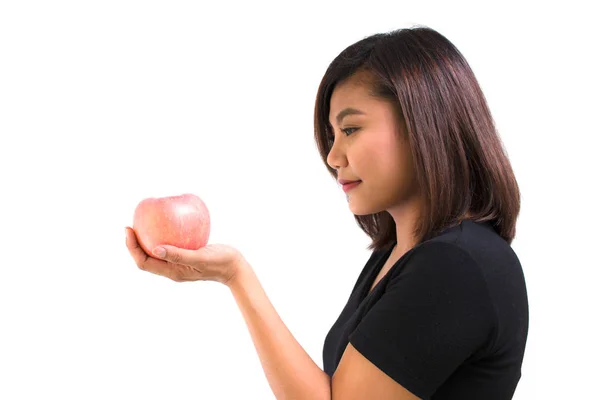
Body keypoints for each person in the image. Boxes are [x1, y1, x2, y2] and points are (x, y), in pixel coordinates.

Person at [125, 25, 529, 400]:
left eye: (350, 129)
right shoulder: (401, 255)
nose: (334, 156)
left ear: (424, 124)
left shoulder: (457, 266)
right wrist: (235, 277)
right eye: (332, 135)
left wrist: (237, 276)